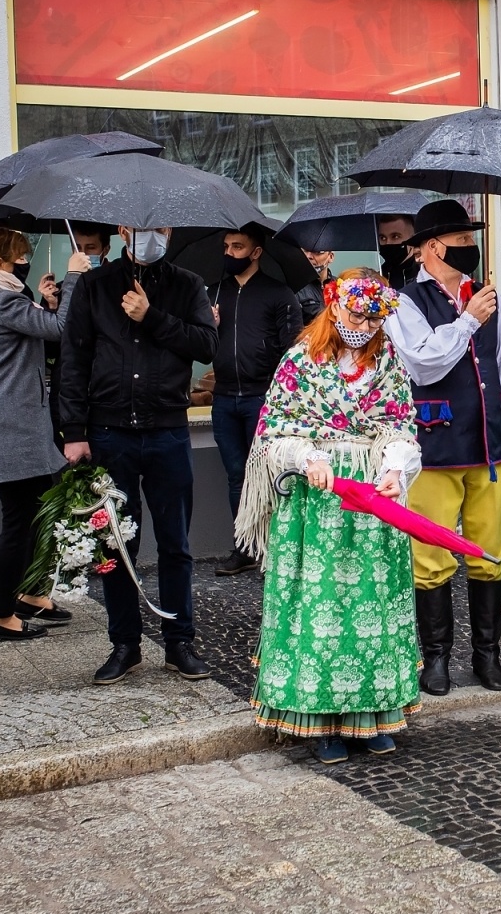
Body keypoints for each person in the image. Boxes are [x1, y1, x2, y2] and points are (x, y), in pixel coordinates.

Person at [234, 269, 421, 765]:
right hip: (316, 504)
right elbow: (274, 431)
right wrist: (307, 456)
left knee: (372, 605)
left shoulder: (387, 361)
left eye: (374, 318)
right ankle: (321, 723)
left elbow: (401, 426)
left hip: (371, 501)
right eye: (357, 314)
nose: (364, 325)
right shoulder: (300, 361)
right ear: (335, 306)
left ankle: (372, 714)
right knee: (321, 606)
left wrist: (395, 468)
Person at [58, 224, 219, 685]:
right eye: (141, 228)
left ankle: (179, 642)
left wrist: (152, 316)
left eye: (159, 228)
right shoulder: (95, 284)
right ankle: (125, 644)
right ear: (124, 230)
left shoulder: (187, 283)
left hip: (167, 429)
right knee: (115, 545)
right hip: (110, 432)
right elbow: (74, 359)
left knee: (175, 544)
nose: (151, 235)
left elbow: (206, 345)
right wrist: (74, 431)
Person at [382, 200, 501, 695]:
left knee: (492, 549)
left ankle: (488, 655)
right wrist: (466, 321)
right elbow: (423, 364)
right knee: (430, 554)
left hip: (490, 443)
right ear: (433, 247)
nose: (470, 247)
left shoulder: (490, 298)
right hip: (435, 445)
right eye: (462, 240)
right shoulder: (402, 302)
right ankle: (436, 657)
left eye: (471, 239)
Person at [0, 228, 89, 642]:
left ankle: (31, 593)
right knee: (20, 520)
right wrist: (74, 277)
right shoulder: (1, 300)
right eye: (20, 257)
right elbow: (62, 328)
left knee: (36, 512)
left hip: (11, 423)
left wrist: (47, 303)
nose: (25, 262)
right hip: (10, 426)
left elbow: (38, 335)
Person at [209, 224, 304, 577]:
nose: (229, 253)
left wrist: (281, 397)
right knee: (236, 476)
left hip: (263, 399)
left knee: (268, 475)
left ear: (256, 252)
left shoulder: (279, 294)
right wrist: (208, 326)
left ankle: (276, 547)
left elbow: (293, 350)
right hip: (223, 397)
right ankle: (245, 547)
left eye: (237, 247)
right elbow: (199, 345)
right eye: (226, 246)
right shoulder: (214, 293)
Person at [376, 213, 418, 290]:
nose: (388, 243)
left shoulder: (425, 276)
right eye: (383, 238)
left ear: (412, 239)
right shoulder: (376, 279)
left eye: (395, 236)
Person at [296, 247, 336, 323]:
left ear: (330, 256)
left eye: (317, 252)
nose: (308, 256)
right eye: (305, 251)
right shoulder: (295, 287)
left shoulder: (341, 286)